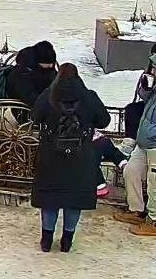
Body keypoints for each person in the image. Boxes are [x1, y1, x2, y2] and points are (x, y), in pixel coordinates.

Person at [31, 63, 110, 252]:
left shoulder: (47, 96)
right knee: (74, 200)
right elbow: (104, 121)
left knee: (50, 199)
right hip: (80, 157)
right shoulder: (89, 97)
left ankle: (46, 241)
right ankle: (67, 241)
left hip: (51, 156)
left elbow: (34, 118)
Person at [119, 57, 156, 233]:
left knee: (154, 182)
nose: (152, 70)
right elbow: (145, 98)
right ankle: (137, 210)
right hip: (143, 142)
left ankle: (154, 221)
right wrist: (147, 86)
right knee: (131, 171)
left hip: (154, 143)